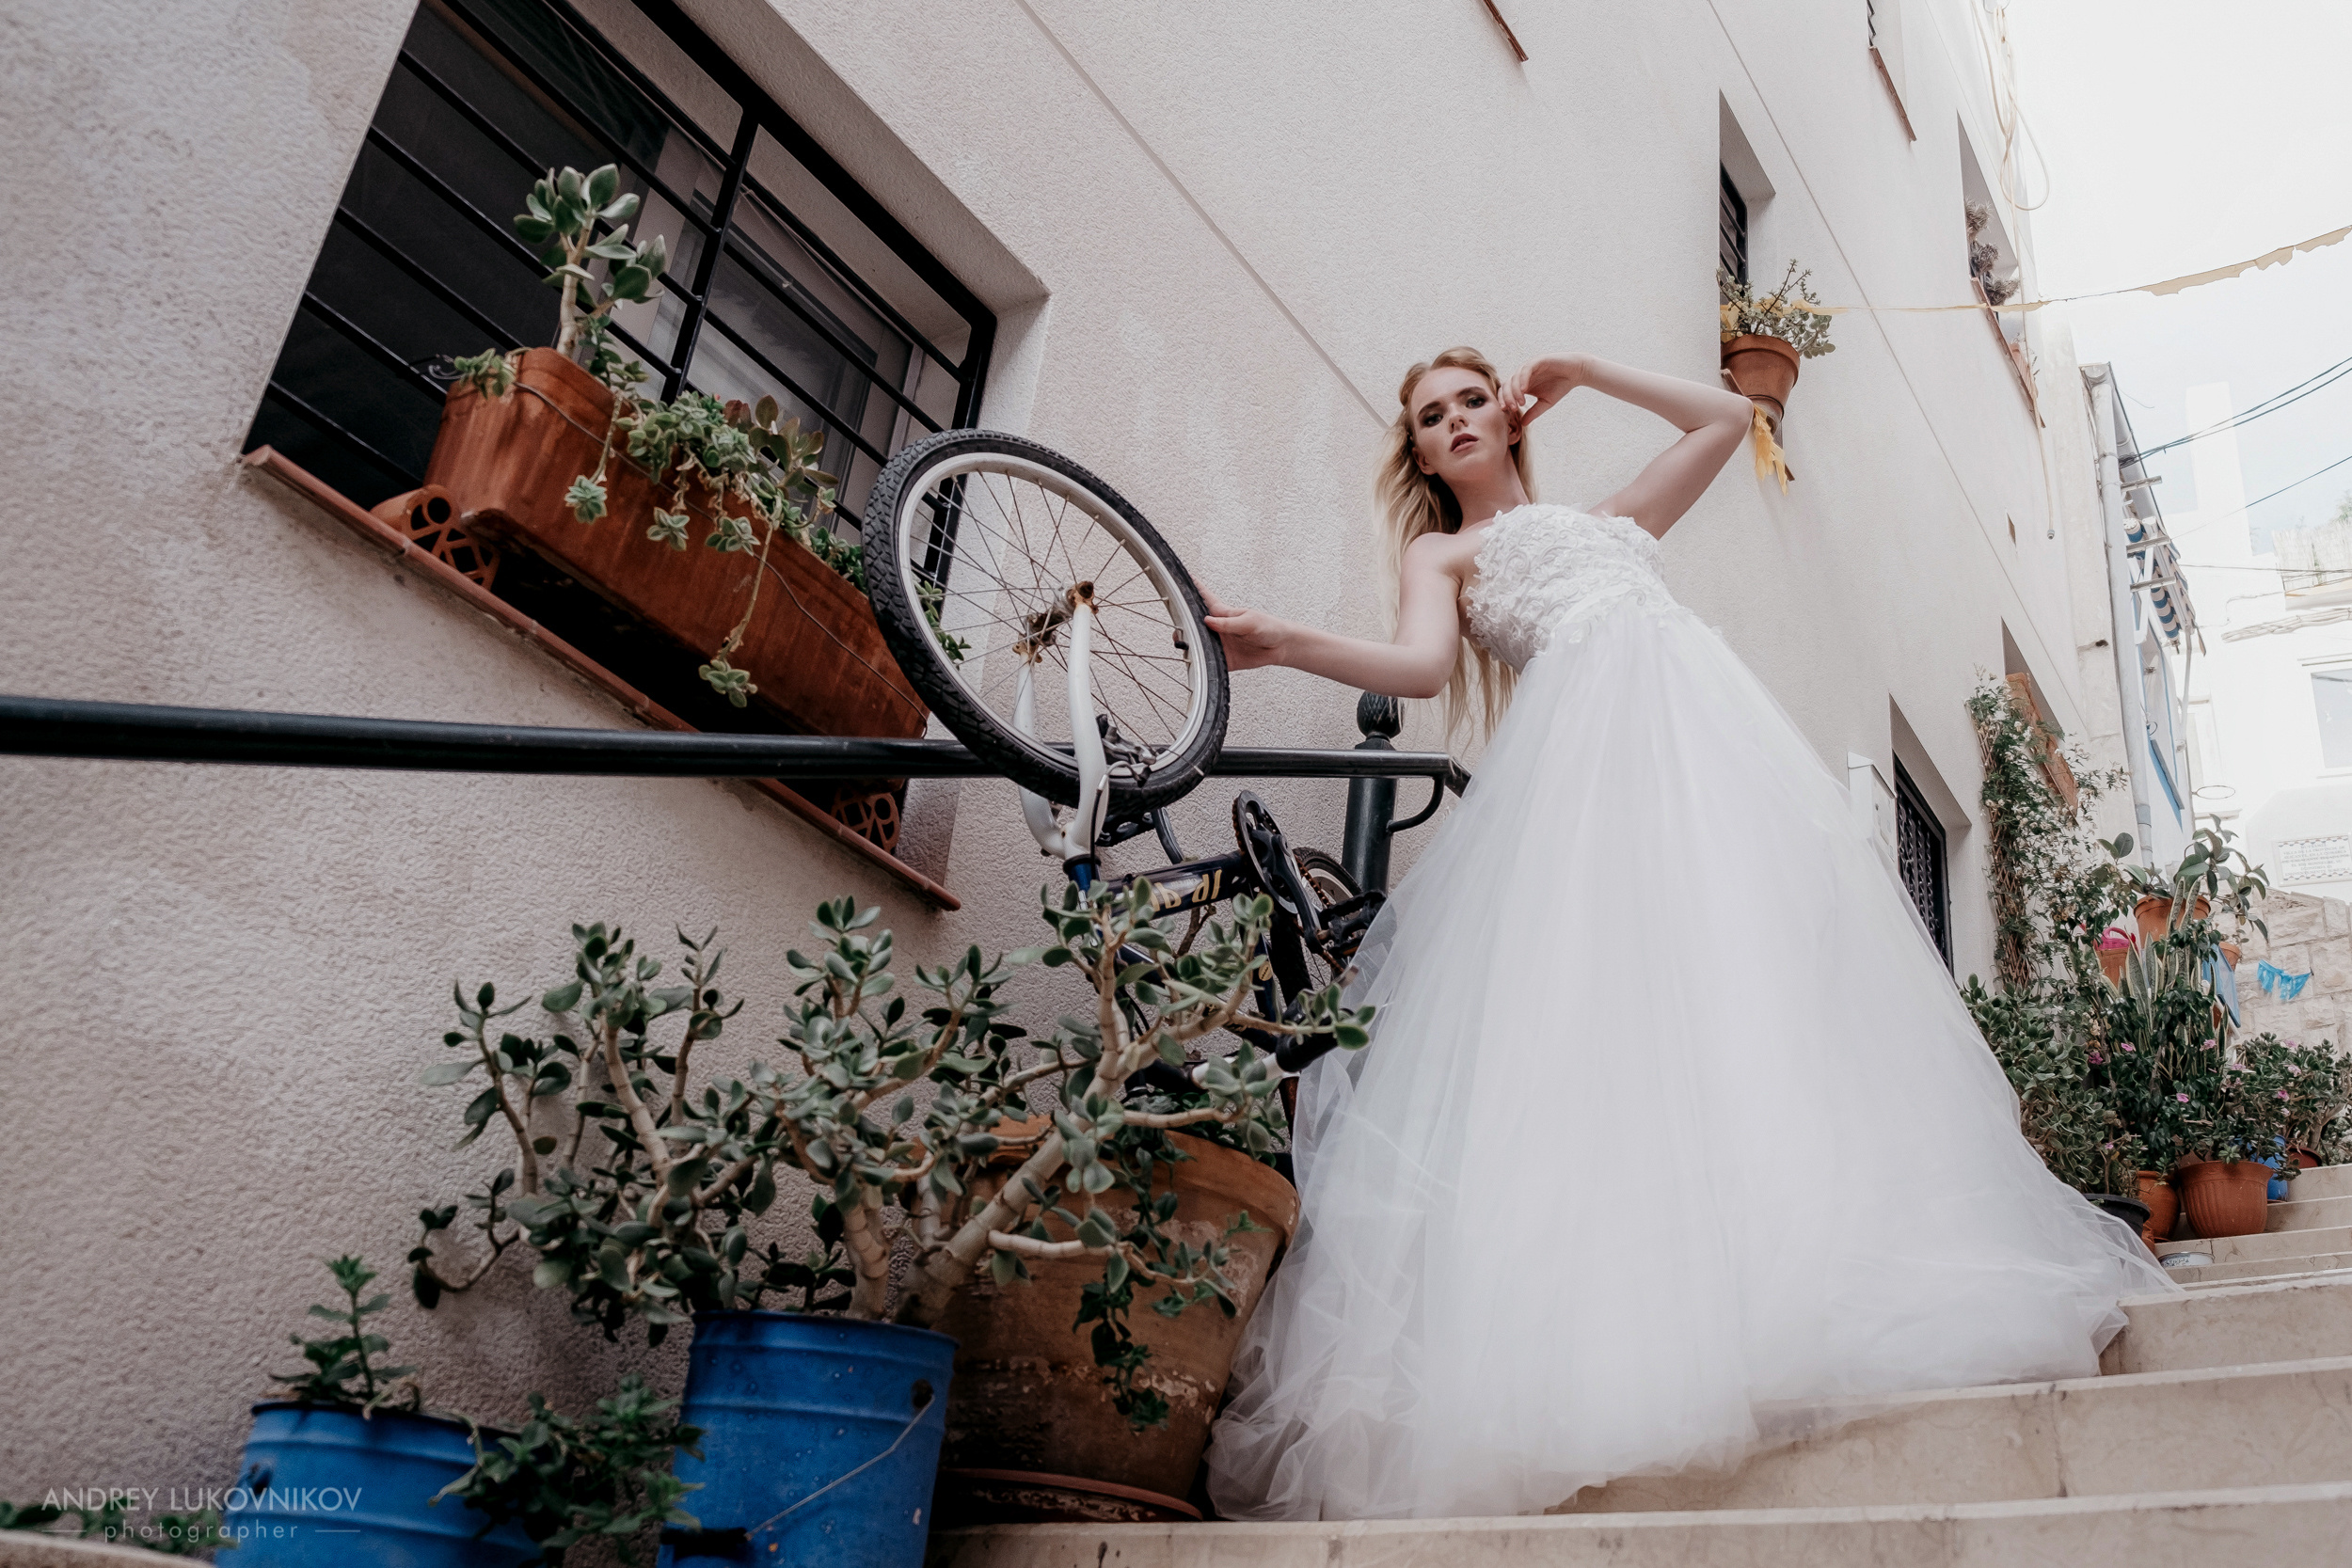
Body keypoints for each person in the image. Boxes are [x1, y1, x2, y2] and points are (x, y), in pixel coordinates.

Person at [1195, 347, 2173, 1522]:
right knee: (1594, 1028)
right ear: (1420, 454)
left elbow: (1722, 417)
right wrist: (1283, 641)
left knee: (1738, 1004)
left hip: (1701, 770)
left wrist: (1581, 370)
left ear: (1507, 417)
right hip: (1585, 781)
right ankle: (1610, 1323)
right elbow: (1416, 666)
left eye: (1471, 401)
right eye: (1429, 418)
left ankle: (1775, 1277)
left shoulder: (1612, 522)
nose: (1453, 422)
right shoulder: (1442, 552)